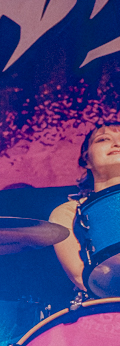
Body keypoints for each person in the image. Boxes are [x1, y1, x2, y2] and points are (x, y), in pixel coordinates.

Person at [48, 122, 120, 291]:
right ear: (86, 159)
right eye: (104, 139)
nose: (117, 144)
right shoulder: (69, 212)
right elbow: (82, 278)